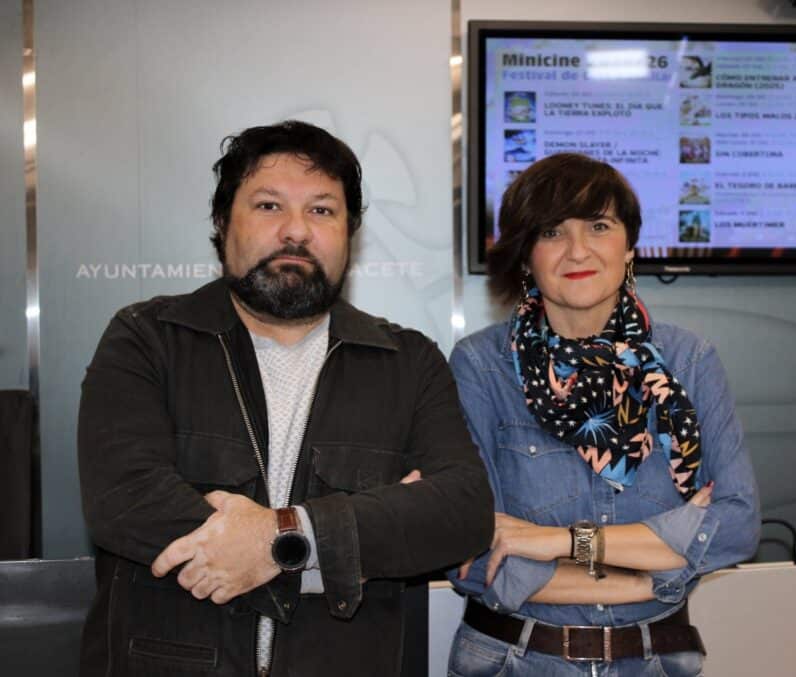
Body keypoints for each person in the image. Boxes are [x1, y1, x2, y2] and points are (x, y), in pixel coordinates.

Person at [77, 120, 493, 676]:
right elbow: (125, 499)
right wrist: (349, 548)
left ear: (350, 233)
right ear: (223, 222)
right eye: (269, 206)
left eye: (321, 210)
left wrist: (283, 541)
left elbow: (461, 512)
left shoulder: (407, 361)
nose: (296, 230)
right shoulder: (148, 338)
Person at [446, 153, 759, 676]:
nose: (578, 250)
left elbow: (736, 526)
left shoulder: (689, 360)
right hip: (516, 661)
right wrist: (656, 573)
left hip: (655, 662)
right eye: (552, 232)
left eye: (598, 226)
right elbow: (475, 557)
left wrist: (561, 542)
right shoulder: (480, 366)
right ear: (526, 255)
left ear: (629, 245)